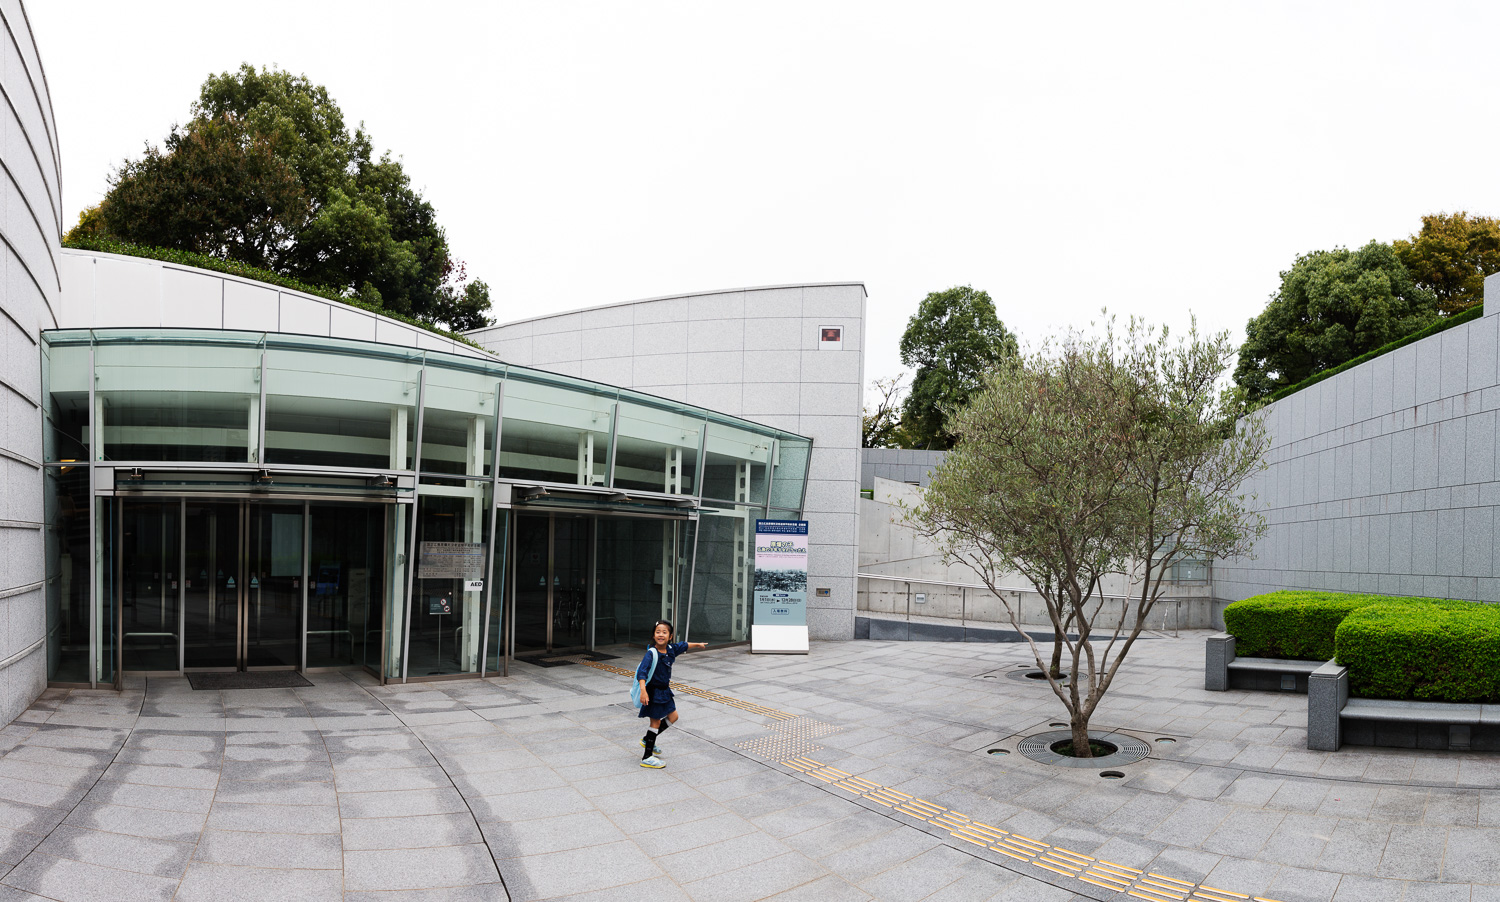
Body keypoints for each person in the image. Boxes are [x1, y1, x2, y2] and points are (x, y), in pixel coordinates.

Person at [637, 620, 706, 768]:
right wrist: (643, 691)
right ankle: (647, 757)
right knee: (654, 723)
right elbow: (642, 673)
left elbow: (684, 645)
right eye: (658, 632)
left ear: (670, 636)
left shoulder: (671, 649)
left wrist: (698, 644)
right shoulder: (651, 653)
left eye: (664, 632)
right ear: (653, 635)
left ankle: (648, 739)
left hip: (665, 691)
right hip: (653, 692)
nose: (660, 634)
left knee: (673, 717)